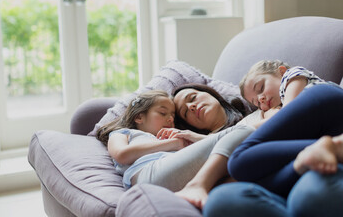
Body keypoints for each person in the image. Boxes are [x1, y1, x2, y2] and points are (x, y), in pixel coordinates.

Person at [203, 60, 343, 216]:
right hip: (320, 139)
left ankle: (335, 147)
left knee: (239, 162)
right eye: (256, 102)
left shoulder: (292, 76)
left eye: (261, 88)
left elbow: (289, 110)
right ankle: (302, 163)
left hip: (328, 106)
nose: (261, 99)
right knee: (222, 198)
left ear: (281, 71)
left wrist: (272, 116)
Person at [96, 89, 254, 192]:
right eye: (163, 113)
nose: (170, 119)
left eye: (173, 115)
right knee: (244, 131)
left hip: (170, 180)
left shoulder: (164, 137)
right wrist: (173, 143)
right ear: (139, 117)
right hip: (148, 177)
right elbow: (122, 155)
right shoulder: (123, 133)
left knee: (236, 157)